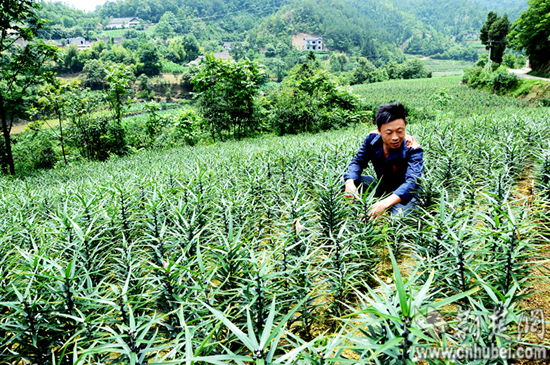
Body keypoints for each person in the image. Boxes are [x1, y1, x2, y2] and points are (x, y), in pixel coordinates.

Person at [343, 102, 423, 218]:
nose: (395, 137)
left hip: (405, 194)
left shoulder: (413, 149)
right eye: (389, 133)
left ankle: (392, 207)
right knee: (344, 181)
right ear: (379, 131)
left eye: (400, 131)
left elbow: (412, 182)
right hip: (382, 188)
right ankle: (355, 211)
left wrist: (383, 204)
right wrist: (349, 182)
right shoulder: (372, 139)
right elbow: (358, 162)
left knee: (400, 222)